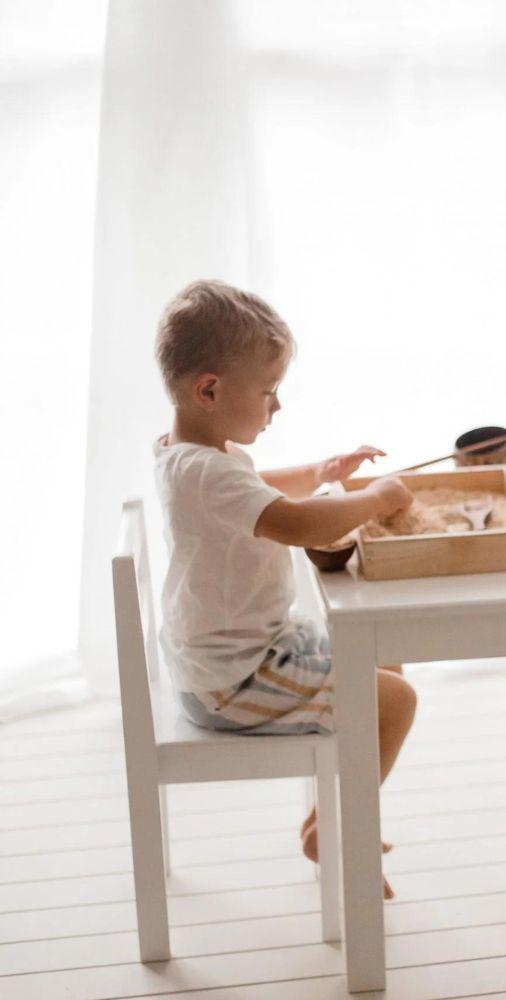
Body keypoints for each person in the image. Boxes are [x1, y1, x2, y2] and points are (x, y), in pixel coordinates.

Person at [153, 279, 415, 897]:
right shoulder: (206, 471)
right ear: (209, 390)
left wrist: (321, 473)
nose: (277, 406)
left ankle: (339, 811)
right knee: (396, 701)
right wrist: (373, 498)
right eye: (268, 390)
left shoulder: (193, 455)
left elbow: (259, 485)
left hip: (231, 657)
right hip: (235, 678)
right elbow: (294, 523)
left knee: (383, 657)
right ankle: (341, 825)